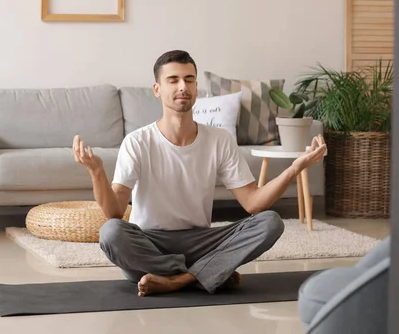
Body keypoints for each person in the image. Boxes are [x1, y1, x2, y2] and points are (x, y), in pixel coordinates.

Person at [72, 50, 327, 297]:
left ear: (196, 88)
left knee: (270, 222)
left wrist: (295, 168)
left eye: (189, 79)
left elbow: (253, 203)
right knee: (111, 232)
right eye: (173, 80)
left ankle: (179, 280)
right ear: (157, 90)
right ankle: (209, 274)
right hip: (150, 245)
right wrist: (96, 172)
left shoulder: (219, 139)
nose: (182, 86)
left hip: (201, 242)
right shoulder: (137, 141)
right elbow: (115, 212)